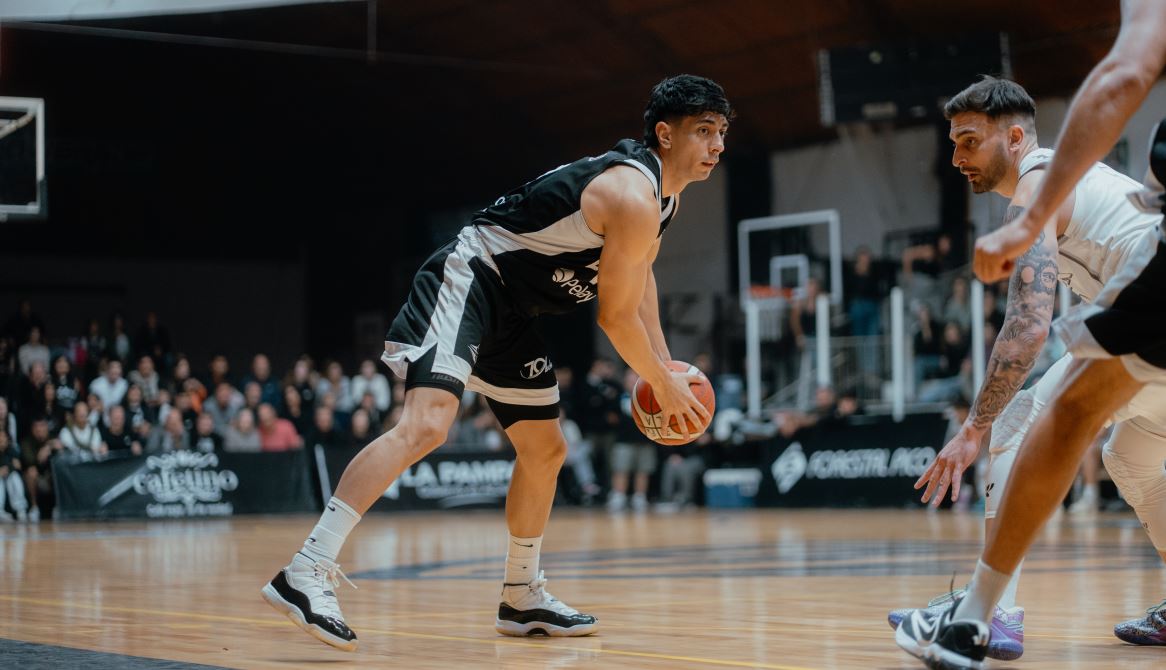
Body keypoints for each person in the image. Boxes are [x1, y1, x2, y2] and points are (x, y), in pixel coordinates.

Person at [261, 74, 726, 651]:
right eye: (703, 130)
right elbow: (613, 316)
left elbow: (640, 278)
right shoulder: (631, 194)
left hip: (513, 310)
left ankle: (521, 594)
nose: (717, 145)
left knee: (546, 450)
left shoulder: (664, 199)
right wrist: (660, 382)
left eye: (721, 132)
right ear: (665, 134)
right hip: (473, 277)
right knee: (427, 425)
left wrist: (666, 364)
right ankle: (306, 568)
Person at [895, 39, 1166, 666]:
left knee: (1016, 423)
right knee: (1130, 456)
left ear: (1015, 139)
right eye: (953, 144)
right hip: (1151, 346)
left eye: (969, 141)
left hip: (1156, 324)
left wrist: (973, 428)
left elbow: (1027, 324)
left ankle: (991, 612)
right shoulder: (1074, 189)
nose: (957, 157)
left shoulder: (1041, 180)